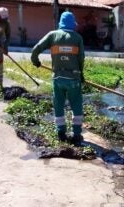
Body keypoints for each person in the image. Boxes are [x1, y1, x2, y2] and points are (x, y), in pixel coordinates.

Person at [31, 11, 85, 145]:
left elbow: (36, 49)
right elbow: (81, 58)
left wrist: (35, 61)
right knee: (76, 105)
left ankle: (61, 133)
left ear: (60, 22)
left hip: (57, 77)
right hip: (73, 78)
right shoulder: (77, 38)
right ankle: (77, 134)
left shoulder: (52, 35)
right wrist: (81, 75)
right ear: (73, 24)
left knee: (58, 105)